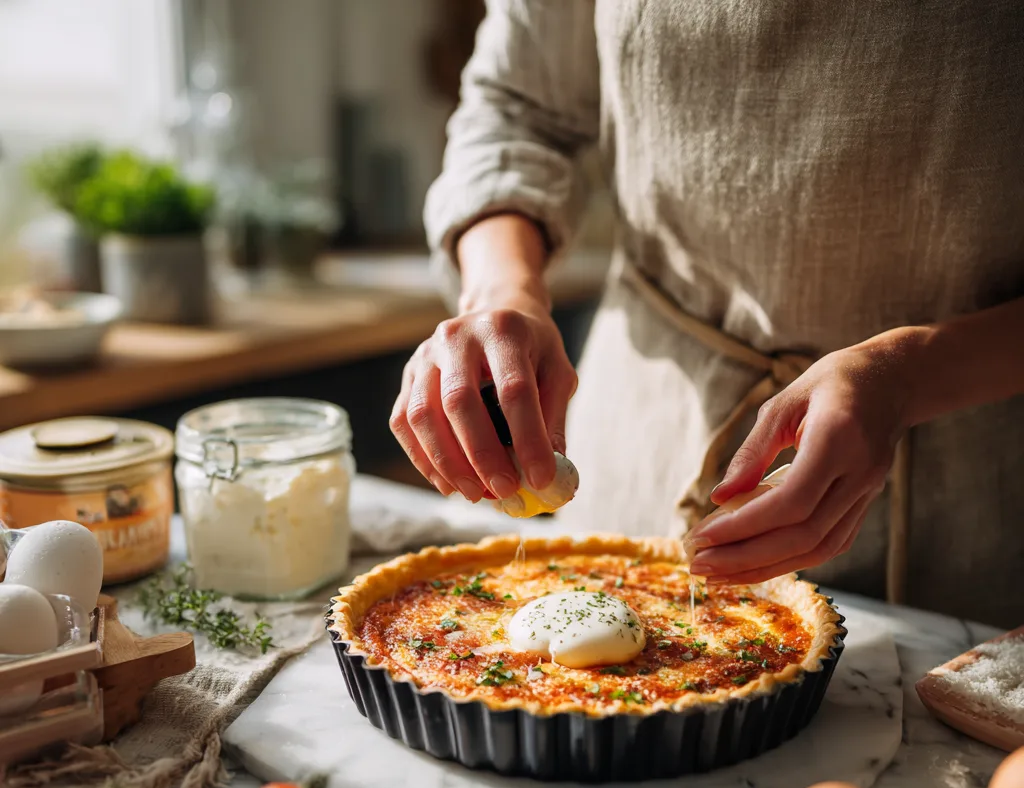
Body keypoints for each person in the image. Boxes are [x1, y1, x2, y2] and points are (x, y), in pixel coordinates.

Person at [390, 2, 1024, 628]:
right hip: (645, 440)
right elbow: (517, 111)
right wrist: (503, 293)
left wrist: (911, 374)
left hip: (972, 496)